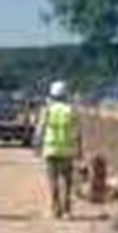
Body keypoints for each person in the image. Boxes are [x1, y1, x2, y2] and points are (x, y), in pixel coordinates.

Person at [34, 80, 82, 219]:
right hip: (67, 150)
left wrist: (37, 145)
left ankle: (55, 210)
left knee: (53, 181)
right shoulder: (71, 110)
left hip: (51, 150)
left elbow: (40, 129)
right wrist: (79, 150)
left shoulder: (48, 110)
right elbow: (78, 131)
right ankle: (67, 211)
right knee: (67, 182)